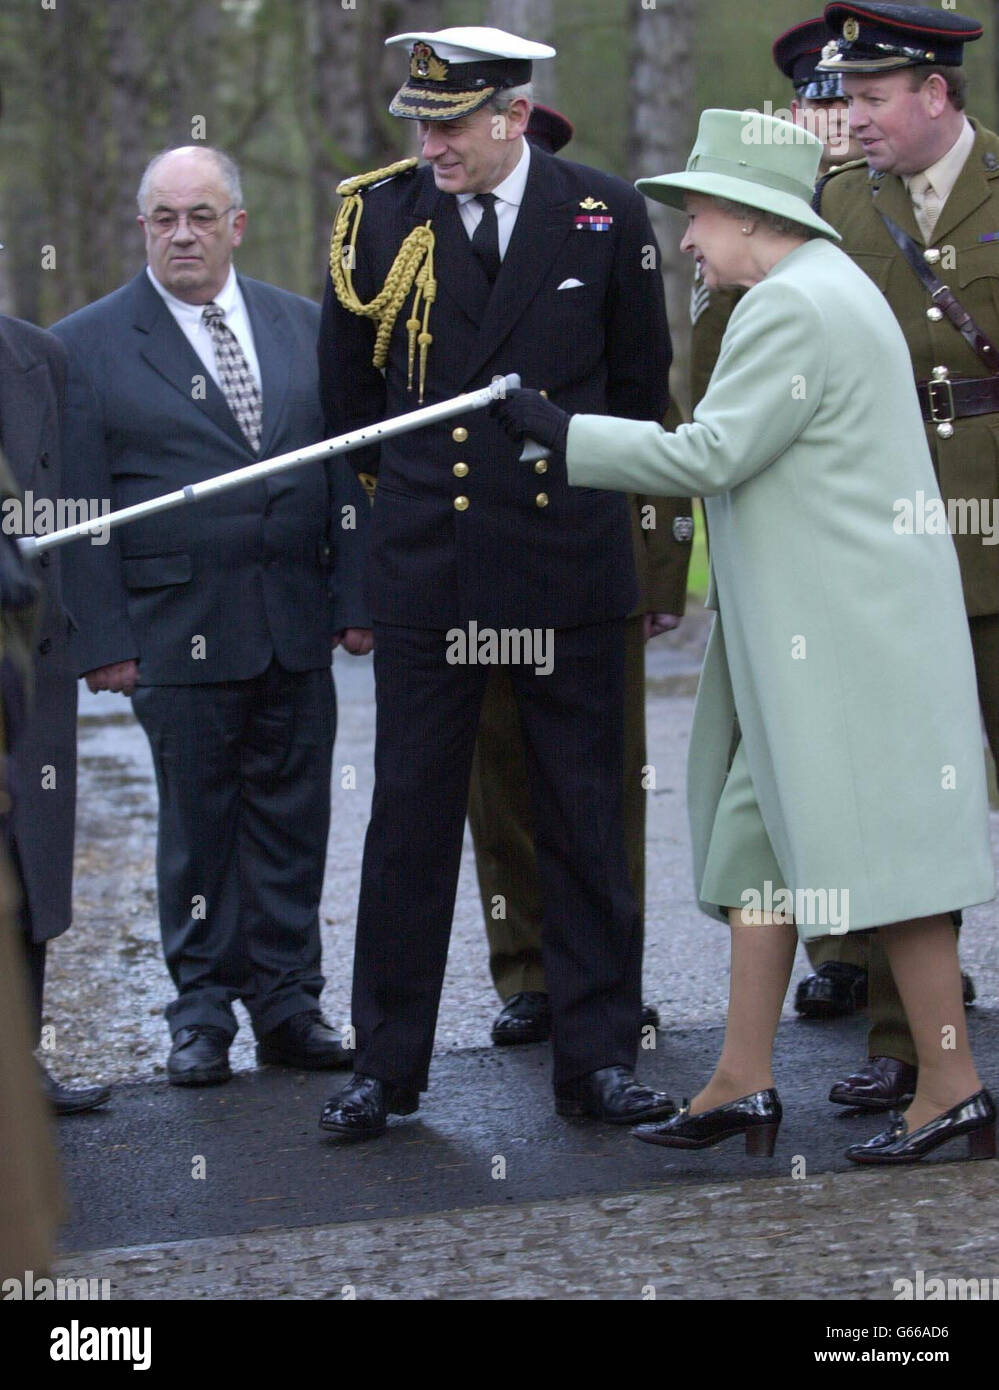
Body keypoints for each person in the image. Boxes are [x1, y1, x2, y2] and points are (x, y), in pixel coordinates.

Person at [494, 106, 996, 1165]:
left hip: (848, 645)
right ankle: (741, 1078)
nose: (685, 239)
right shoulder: (825, 289)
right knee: (758, 854)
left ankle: (950, 1086)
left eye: (698, 215)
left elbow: (710, 455)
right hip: (823, 640)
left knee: (893, 867)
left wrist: (560, 432)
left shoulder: (792, 308)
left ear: (751, 214)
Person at [318, 26, 676, 1138]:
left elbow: (638, 393)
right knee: (411, 823)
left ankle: (599, 1058)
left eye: (451, 123)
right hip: (433, 560)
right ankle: (387, 1064)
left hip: (566, 561)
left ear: (512, 116)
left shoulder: (602, 212)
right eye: (419, 123)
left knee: (584, 816)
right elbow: (349, 409)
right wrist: (397, 530)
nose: (430, 144)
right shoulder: (376, 215)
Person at [52, 145, 369, 1087]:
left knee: (293, 819)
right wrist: (102, 641)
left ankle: (288, 1004)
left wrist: (356, 602)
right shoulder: (87, 345)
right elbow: (78, 505)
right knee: (199, 827)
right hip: (169, 627)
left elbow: (348, 467)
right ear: (142, 226)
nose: (181, 233)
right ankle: (201, 1016)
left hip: (293, 621)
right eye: (163, 218)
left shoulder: (306, 328)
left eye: (200, 215)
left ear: (236, 223)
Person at [468, 102, 693, 1047]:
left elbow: (650, 414)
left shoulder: (605, 251)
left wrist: (657, 577)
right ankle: (526, 970)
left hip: (588, 559)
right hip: (476, 553)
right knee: (498, 776)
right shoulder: (440, 255)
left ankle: (607, 971)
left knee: (602, 787)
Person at [811, 0, 996, 1110]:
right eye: (850, 96)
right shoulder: (841, 204)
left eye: (875, 97)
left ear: (937, 94)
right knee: (899, 801)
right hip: (887, 551)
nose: (856, 117)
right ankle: (903, 1040)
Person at [0, 313, 111, 1114]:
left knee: (25, 855)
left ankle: (19, 1058)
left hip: (27, 654)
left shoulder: (38, 357)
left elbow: (78, 513)